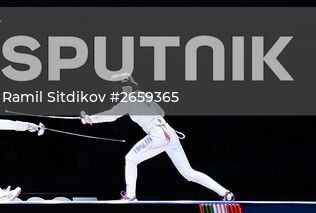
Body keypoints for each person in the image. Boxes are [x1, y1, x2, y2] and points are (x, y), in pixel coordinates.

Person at [80, 74, 234, 202]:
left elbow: (111, 116)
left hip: (157, 135)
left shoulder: (128, 100)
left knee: (131, 159)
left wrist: (90, 119)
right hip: (170, 134)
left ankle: (131, 196)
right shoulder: (143, 96)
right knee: (188, 172)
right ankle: (226, 193)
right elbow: (161, 112)